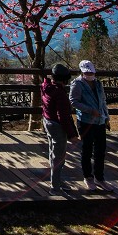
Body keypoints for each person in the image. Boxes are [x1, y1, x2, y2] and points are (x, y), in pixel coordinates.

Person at [69, 60, 111, 192]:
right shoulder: (77, 84)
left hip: (100, 121)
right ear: (82, 72)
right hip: (86, 121)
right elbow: (73, 101)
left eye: (92, 72)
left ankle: (100, 177)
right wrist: (89, 110)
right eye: (87, 72)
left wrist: (107, 117)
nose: (90, 74)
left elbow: (103, 101)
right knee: (87, 150)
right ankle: (88, 177)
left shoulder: (98, 83)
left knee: (100, 150)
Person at [41, 63, 79, 194]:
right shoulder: (60, 94)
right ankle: (55, 187)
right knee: (59, 157)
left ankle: (56, 181)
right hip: (57, 127)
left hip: (48, 122)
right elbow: (63, 116)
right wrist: (72, 135)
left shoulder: (46, 87)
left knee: (53, 153)